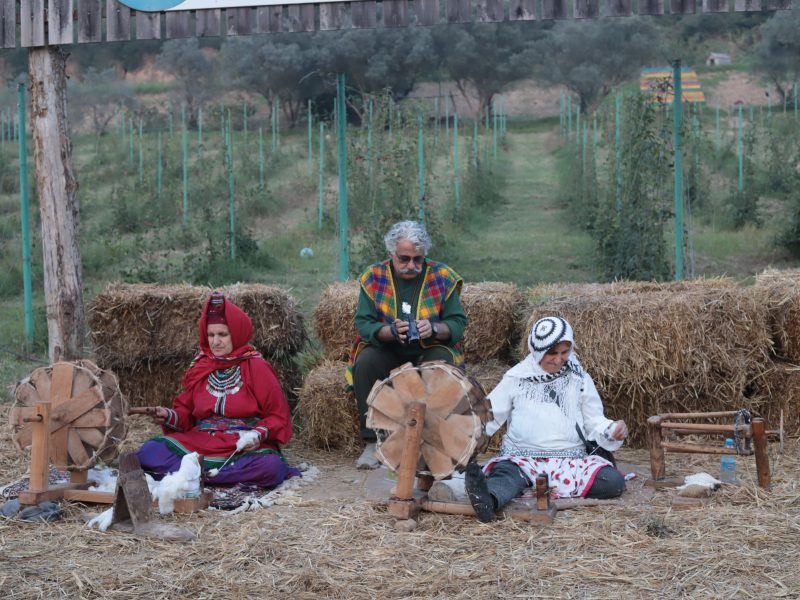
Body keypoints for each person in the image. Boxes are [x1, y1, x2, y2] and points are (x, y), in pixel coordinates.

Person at [465, 316, 627, 523]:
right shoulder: (517, 378)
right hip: (521, 460)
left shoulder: (579, 378)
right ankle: (487, 501)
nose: (559, 360)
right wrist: (463, 433)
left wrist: (612, 429)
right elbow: (489, 414)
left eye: (564, 353)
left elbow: (594, 420)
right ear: (539, 351)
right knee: (505, 478)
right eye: (552, 353)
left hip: (570, 461)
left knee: (613, 482)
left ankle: (529, 488)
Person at [137, 293, 300, 488]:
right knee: (149, 452)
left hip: (241, 445)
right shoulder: (201, 366)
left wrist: (256, 435)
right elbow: (186, 413)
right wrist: (168, 415)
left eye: (222, 334)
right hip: (201, 440)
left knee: (271, 467)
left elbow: (277, 415)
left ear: (237, 334)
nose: (215, 342)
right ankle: (210, 476)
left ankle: (196, 476)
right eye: (211, 335)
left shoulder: (256, 367)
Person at [346, 220, 468, 469]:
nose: (411, 265)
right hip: (388, 347)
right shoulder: (373, 277)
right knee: (366, 362)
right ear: (391, 254)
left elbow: (457, 324)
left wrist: (433, 328)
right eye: (404, 259)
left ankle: (433, 441)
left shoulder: (442, 276)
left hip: (428, 348)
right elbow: (364, 324)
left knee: (442, 365)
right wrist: (389, 331)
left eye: (417, 259)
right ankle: (373, 441)